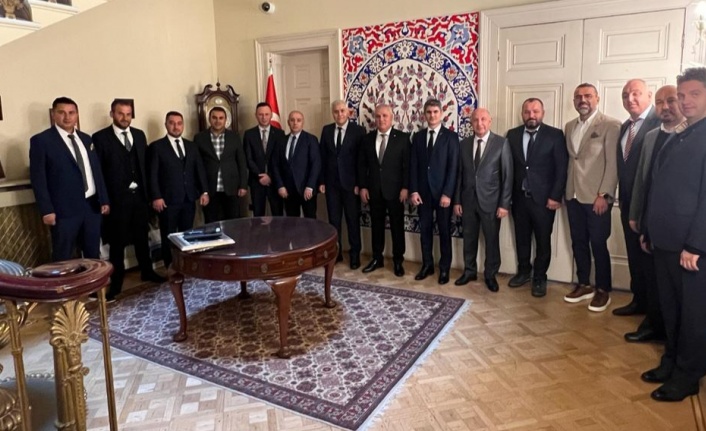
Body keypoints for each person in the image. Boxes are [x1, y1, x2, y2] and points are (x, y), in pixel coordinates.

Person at [642, 67, 706, 402]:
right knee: (671, 309)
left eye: (694, 94)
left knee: (693, 315)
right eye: (682, 95)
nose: (685, 100)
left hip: (690, 248)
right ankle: (671, 361)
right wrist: (649, 230)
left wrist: (696, 244)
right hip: (665, 241)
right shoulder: (681, 134)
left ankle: (688, 375)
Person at [623, 86, 683, 343]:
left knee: (674, 285)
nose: (665, 107)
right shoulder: (650, 137)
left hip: (678, 226)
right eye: (660, 102)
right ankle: (654, 324)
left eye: (671, 100)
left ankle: (674, 335)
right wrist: (635, 214)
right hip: (650, 220)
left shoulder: (690, 136)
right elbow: (642, 179)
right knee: (652, 276)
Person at [93, 99, 164, 301]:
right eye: (120, 113)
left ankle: (147, 271)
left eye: (128, 114)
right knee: (117, 244)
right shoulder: (100, 138)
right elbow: (98, 173)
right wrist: (104, 200)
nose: (125, 118)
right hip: (117, 201)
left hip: (140, 199)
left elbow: (145, 167)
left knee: (142, 238)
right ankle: (116, 283)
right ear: (112, 114)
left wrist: (150, 195)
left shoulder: (139, 135)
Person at [563, 83, 621, 312]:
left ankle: (603, 289)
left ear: (597, 98)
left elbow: (612, 163)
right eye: (578, 96)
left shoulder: (610, 125)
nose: (582, 100)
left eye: (588, 95)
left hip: (596, 197)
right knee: (578, 242)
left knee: (598, 243)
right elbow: (573, 160)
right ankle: (584, 284)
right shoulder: (570, 126)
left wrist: (604, 194)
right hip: (573, 195)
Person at [30, 97, 109, 262]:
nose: (67, 117)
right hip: (63, 210)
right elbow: (38, 179)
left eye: (71, 113)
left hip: (91, 207)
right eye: (62, 112)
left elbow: (96, 171)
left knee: (93, 256)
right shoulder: (41, 141)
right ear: (53, 114)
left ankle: (91, 281)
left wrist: (103, 199)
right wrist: (46, 210)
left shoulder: (86, 139)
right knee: (63, 256)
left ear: (77, 115)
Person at [506, 98, 568, 297]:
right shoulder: (512, 135)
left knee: (542, 240)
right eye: (527, 112)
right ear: (522, 114)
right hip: (519, 199)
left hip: (544, 200)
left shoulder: (555, 135)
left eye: (535, 111)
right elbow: (509, 168)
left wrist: (555, 196)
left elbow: (561, 168)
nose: (531, 115)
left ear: (543, 113)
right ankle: (524, 271)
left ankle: (540, 277)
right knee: (522, 238)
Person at [612, 79, 661, 317]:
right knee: (633, 254)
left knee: (650, 259)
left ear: (649, 95)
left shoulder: (660, 123)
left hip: (649, 205)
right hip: (627, 203)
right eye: (625, 95)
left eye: (636, 93)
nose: (630, 99)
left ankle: (653, 313)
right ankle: (638, 300)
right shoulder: (625, 127)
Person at [453, 108, 512, 292]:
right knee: (469, 238)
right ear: (471, 122)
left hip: (492, 203)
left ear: (490, 121)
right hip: (468, 201)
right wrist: (457, 201)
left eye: (483, 119)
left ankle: (490, 274)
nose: (480, 123)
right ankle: (469, 271)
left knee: (491, 240)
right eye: (476, 120)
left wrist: (504, 204)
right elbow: (460, 174)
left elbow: (507, 177)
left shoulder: (501, 143)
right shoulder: (464, 144)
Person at [148, 111, 209, 268]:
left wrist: (204, 191)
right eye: (172, 123)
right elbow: (152, 174)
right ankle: (171, 268)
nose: (176, 126)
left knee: (187, 235)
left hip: (189, 199)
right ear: (166, 125)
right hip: (167, 201)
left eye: (179, 123)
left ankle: (186, 266)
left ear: (183, 125)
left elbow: (199, 170)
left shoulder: (191, 146)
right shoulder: (157, 147)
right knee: (169, 236)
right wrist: (156, 196)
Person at [409, 99, 459, 285]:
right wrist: (414, 190)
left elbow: (453, 168)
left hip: (443, 194)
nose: (432, 115)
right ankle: (427, 265)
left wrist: (448, 193)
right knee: (425, 231)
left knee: (444, 232)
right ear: (424, 114)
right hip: (423, 194)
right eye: (429, 112)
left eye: (435, 112)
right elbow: (413, 165)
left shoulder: (451, 137)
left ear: (441, 114)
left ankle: (444, 268)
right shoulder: (418, 137)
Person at [358, 104, 410, 277]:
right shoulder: (367, 139)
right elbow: (362, 165)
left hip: (396, 192)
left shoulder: (402, 138)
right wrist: (363, 186)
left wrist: (405, 187)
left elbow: (407, 166)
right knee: (376, 226)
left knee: (397, 227)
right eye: (378, 116)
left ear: (391, 117)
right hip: (374, 190)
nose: (381, 119)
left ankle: (398, 261)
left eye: (385, 116)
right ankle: (377, 258)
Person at [319, 100, 365, 269]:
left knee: (352, 220)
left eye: (342, 111)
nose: (339, 114)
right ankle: (336, 253)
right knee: (334, 221)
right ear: (333, 113)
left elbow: (361, 160)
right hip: (332, 185)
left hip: (351, 185)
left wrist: (359, 183)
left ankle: (355, 255)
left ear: (348, 112)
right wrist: (321, 181)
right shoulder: (326, 130)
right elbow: (322, 157)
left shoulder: (358, 131)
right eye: (336, 111)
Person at [194, 106, 248, 223]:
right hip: (210, 189)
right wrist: (202, 190)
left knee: (233, 222)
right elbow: (198, 166)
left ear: (225, 120)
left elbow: (241, 162)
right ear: (209, 119)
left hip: (231, 188)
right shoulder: (199, 138)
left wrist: (243, 185)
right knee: (211, 223)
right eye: (214, 117)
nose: (217, 121)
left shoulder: (234, 137)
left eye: (221, 118)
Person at [271, 111, 321, 218]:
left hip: (306, 189)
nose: (295, 123)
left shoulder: (311, 139)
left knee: (310, 222)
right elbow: (275, 165)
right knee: (292, 223)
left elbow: (315, 164)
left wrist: (310, 186)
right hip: (288, 191)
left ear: (303, 122)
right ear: (288, 122)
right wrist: (280, 186)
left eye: (298, 120)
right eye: (292, 120)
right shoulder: (280, 141)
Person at [243, 102, 285, 217]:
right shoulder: (249, 134)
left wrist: (270, 176)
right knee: (258, 215)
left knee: (278, 214)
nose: (264, 117)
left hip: (275, 181)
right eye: (261, 114)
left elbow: (281, 159)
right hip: (256, 181)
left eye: (267, 114)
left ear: (271, 115)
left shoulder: (280, 134)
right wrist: (260, 176)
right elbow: (248, 158)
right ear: (256, 115)